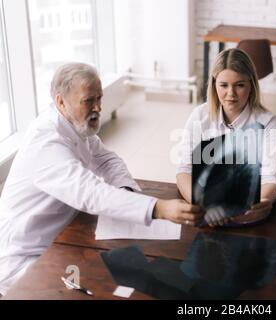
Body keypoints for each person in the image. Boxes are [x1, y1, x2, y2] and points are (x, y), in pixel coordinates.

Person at [0, 62, 202, 296]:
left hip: (62, 236)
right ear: (61, 102)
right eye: (88, 101)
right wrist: (158, 208)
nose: (97, 108)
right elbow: (90, 192)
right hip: (26, 258)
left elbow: (107, 161)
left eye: (100, 98)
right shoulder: (46, 143)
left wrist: (127, 191)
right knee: (107, 287)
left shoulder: (73, 125)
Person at [176, 48, 276, 226]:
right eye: (224, 85)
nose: (231, 94)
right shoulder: (199, 116)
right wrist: (200, 205)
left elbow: (270, 178)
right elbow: (184, 171)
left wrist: (262, 204)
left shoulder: (268, 123)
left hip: (249, 215)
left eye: (240, 85)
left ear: (251, 85)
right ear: (214, 84)